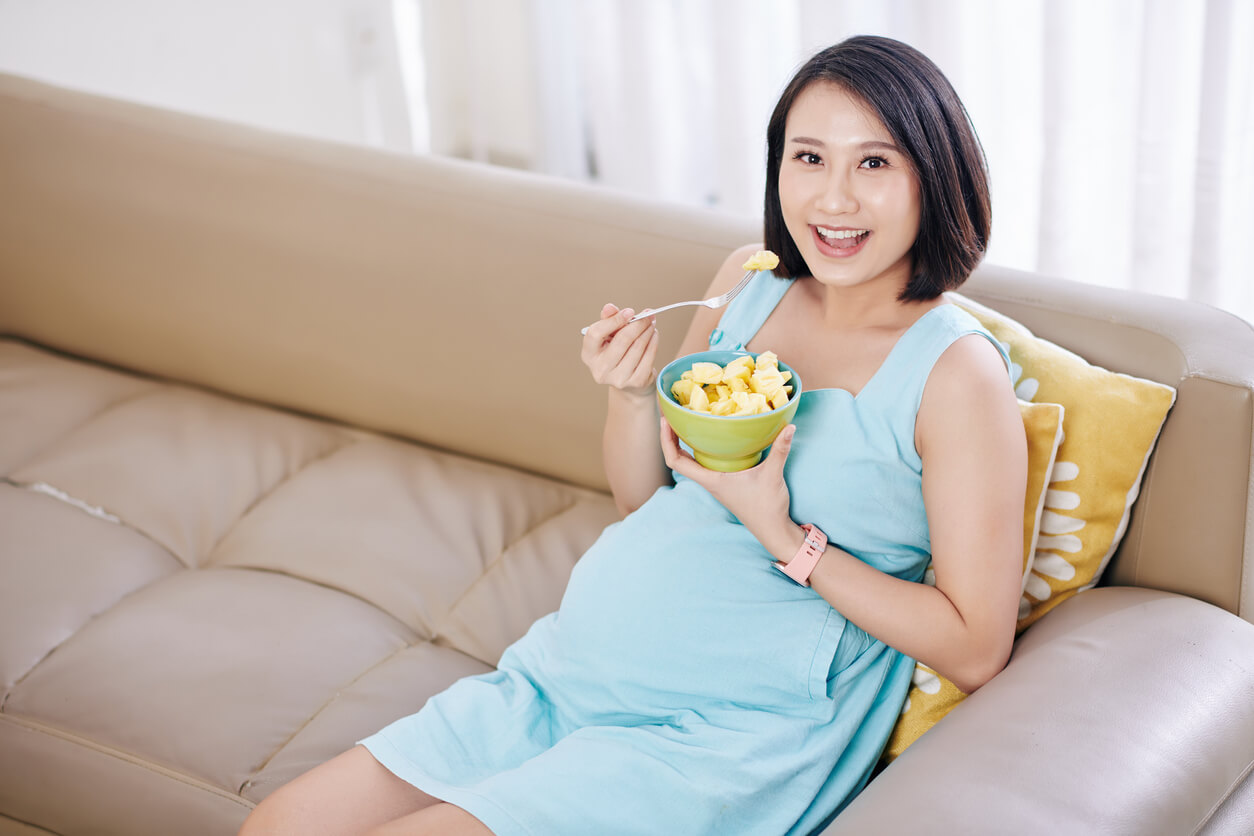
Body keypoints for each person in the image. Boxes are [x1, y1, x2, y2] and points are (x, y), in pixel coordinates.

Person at [239, 34, 1026, 836]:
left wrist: (782, 534)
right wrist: (628, 398)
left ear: (935, 176)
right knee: (277, 824)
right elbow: (646, 500)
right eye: (809, 157)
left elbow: (973, 646)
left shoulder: (957, 376)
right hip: (567, 678)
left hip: (721, 736)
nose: (833, 200)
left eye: (874, 164)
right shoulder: (748, 286)